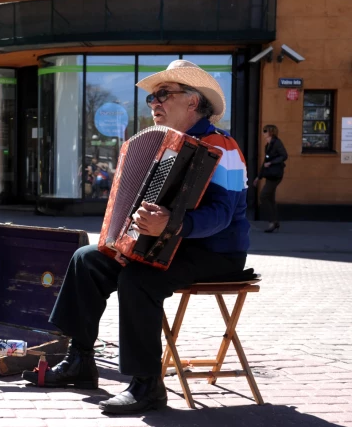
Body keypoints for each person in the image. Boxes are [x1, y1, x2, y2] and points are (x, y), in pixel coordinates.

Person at [22, 60, 251, 415]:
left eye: (163, 95)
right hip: (164, 246)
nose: (154, 103)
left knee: (138, 278)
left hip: (214, 252)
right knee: (88, 259)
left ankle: (147, 385)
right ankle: (80, 360)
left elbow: (222, 215)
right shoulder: (164, 146)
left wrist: (174, 226)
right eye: (152, 98)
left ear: (193, 102)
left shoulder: (225, 148)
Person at [253, 124, 288, 233]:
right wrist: (258, 177)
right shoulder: (268, 144)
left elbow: (284, 156)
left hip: (275, 175)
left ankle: (273, 221)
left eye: (265, 131)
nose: (263, 133)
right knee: (270, 199)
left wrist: (272, 162)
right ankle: (274, 222)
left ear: (270, 132)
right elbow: (265, 162)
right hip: (270, 174)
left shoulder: (277, 143)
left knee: (263, 196)